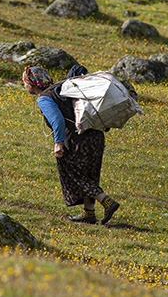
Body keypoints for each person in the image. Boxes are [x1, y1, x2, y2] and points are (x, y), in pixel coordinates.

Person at [23, 64, 120, 225]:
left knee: (73, 173)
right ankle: (89, 214)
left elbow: (57, 120)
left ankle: (106, 201)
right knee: (90, 174)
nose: (24, 85)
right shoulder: (64, 87)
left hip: (77, 140)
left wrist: (58, 143)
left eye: (25, 82)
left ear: (31, 84)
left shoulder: (45, 98)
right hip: (95, 135)